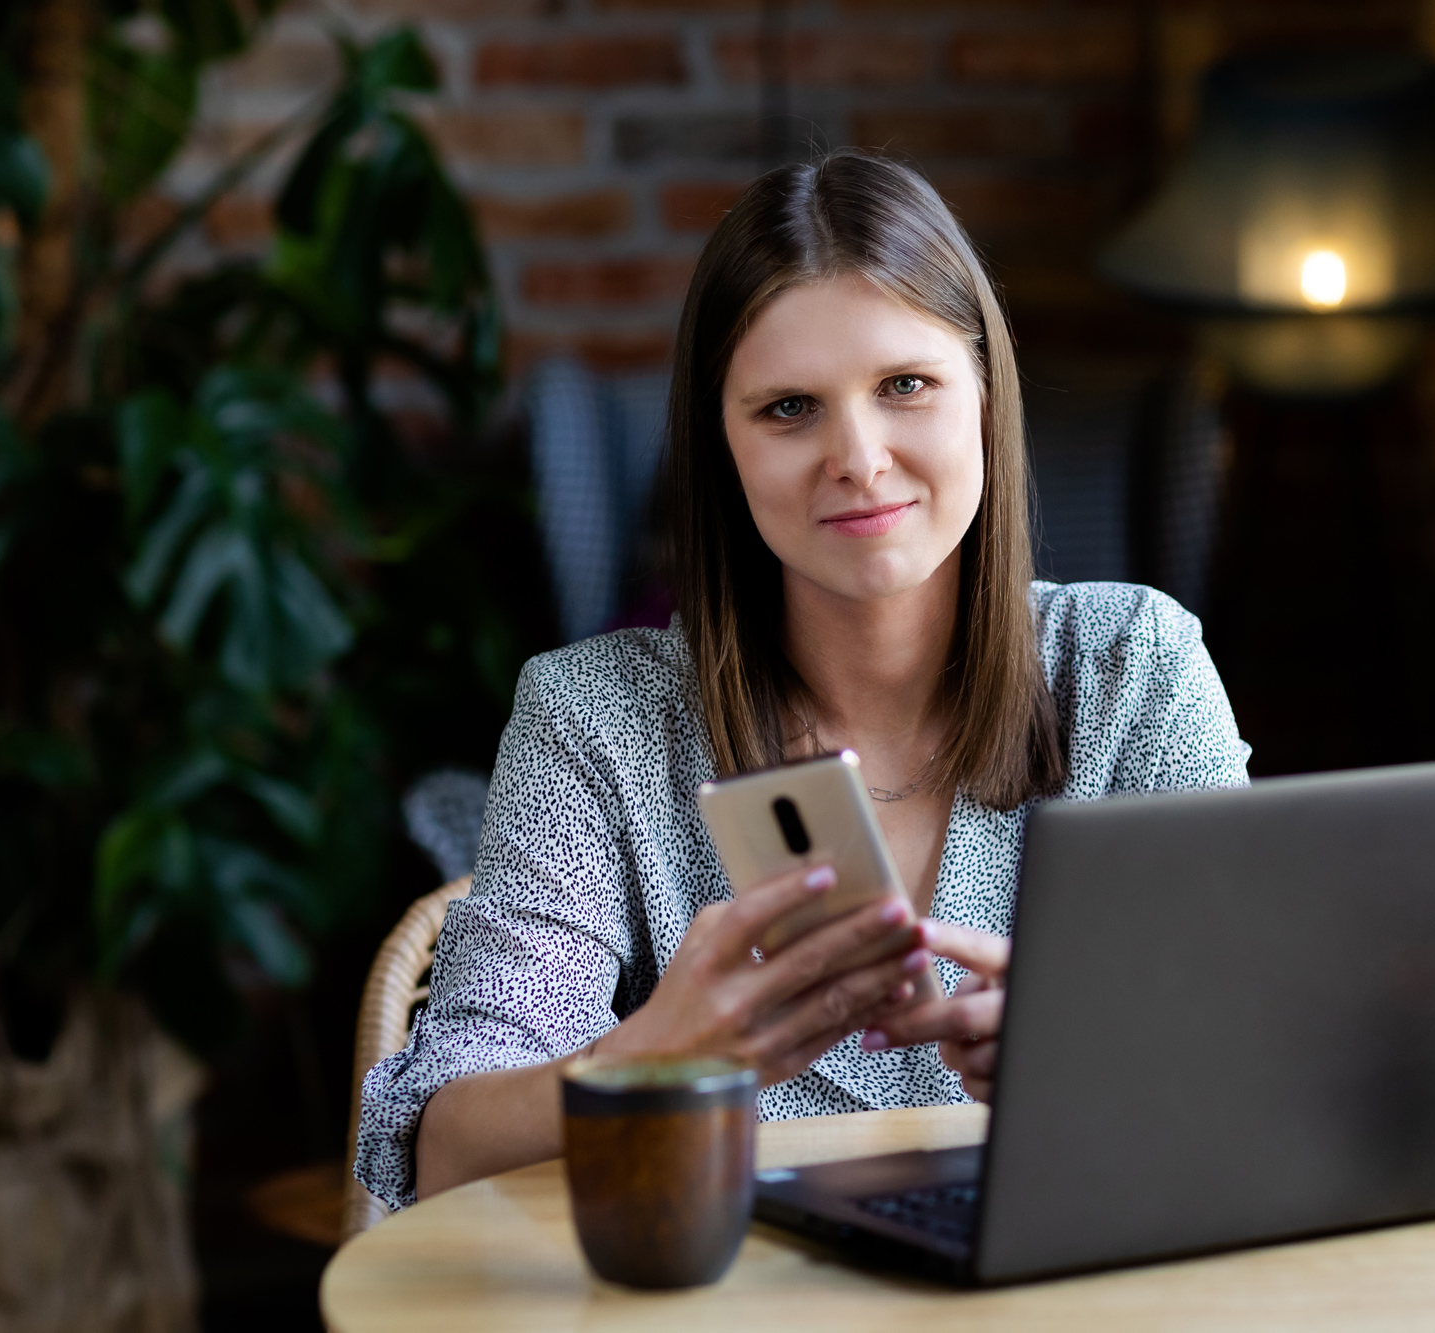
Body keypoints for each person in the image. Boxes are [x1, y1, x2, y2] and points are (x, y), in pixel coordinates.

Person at [354, 150, 1249, 1209]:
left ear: (983, 394)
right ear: (721, 448)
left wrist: (1092, 1065)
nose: (858, 458)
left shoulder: (1131, 667)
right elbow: (441, 1152)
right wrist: (661, 1055)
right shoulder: (593, 720)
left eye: (904, 386)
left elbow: (1260, 1056)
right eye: (788, 409)